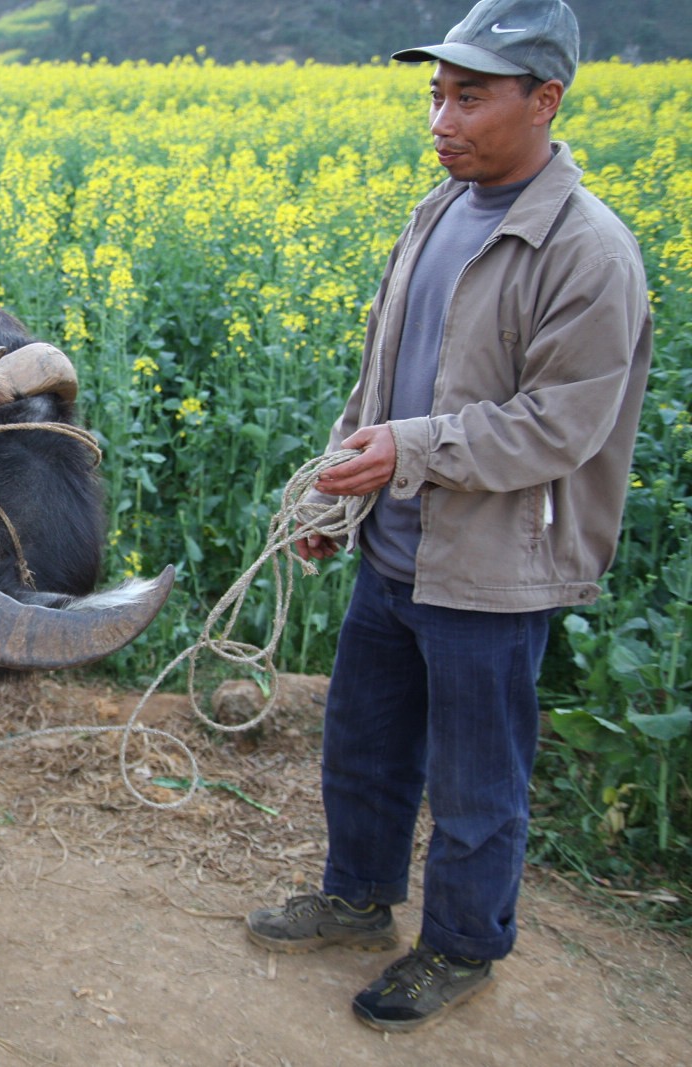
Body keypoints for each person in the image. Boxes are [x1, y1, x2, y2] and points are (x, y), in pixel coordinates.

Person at [245, 0, 652, 1034]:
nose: (441, 118)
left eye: (469, 96)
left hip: (492, 565)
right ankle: (354, 896)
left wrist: (408, 451)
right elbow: (385, 378)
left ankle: (464, 944)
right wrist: (342, 486)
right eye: (436, 94)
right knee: (364, 744)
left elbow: (557, 426)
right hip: (395, 544)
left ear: (544, 100)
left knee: (477, 780)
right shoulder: (434, 212)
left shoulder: (588, 250)